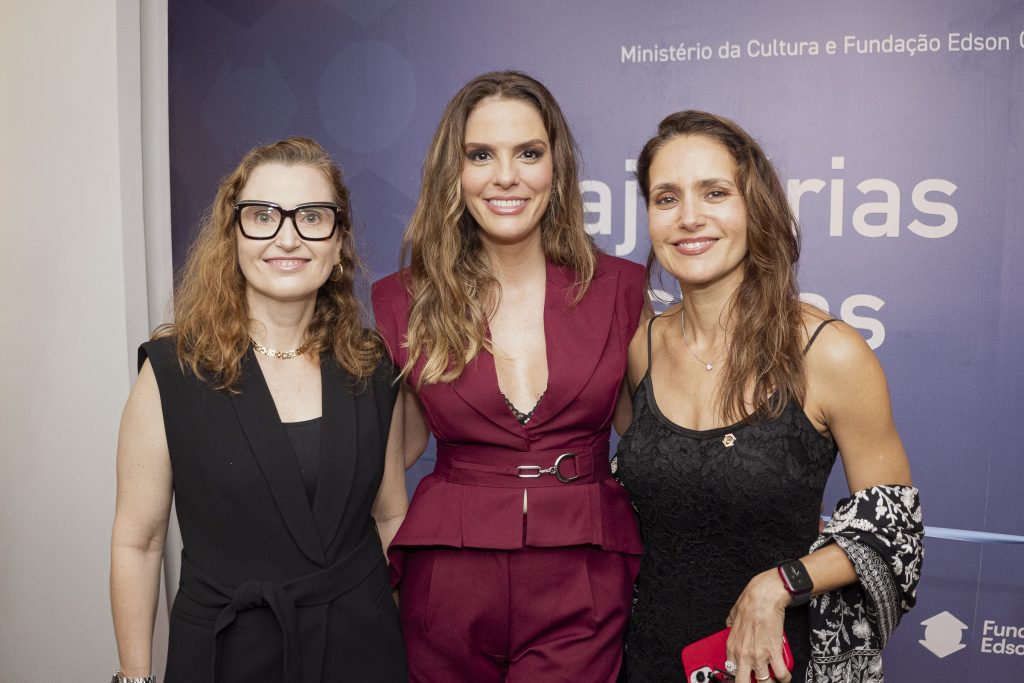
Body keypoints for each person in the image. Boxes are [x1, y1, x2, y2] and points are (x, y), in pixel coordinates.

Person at [613, 112, 923, 683]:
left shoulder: (828, 353)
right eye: (666, 198)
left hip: (776, 662)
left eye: (715, 192)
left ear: (755, 207)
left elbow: (894, 532)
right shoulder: (643, 350)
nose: (689, 218)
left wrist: (781, 583)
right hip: (650, 658)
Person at [371, 70, 647, 682]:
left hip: (585, 577)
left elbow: (661, 443)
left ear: (558, 166)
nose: (505, 176)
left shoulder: (622, 291)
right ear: (455, 172)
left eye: (528, 153)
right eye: (480, 155)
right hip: (446, 583)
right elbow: (386, 463)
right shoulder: (402, 300)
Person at [109, 137, 408, 682]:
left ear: (339, 242)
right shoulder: (173, 371)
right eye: (263, 215)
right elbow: (139, 541)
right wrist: (134, 678)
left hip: (362, 651)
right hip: (225, 655)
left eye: (313, 217)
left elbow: (389, 515)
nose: (288, 237)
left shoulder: (372, 366)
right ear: (233, 237)